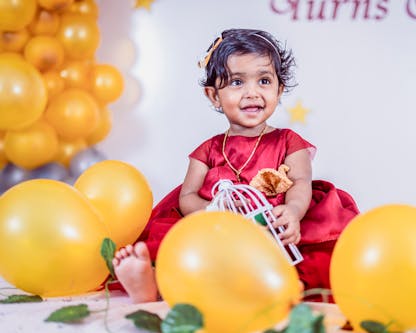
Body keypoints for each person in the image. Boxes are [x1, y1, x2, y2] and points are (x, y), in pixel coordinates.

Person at [112, 28, 359, 303]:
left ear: (280, 89)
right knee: (181, 248)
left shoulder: (289, 142)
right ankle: (153, 285)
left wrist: (293, 210)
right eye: (237, 82)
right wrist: (213, 211)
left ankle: (283, 286)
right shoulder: (207, 150)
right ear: (213, 95)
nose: (252, 93)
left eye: (264, 80)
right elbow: (187, 197)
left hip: (271, 230)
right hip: (217, 232)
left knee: (316, 259)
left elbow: (301, 183)